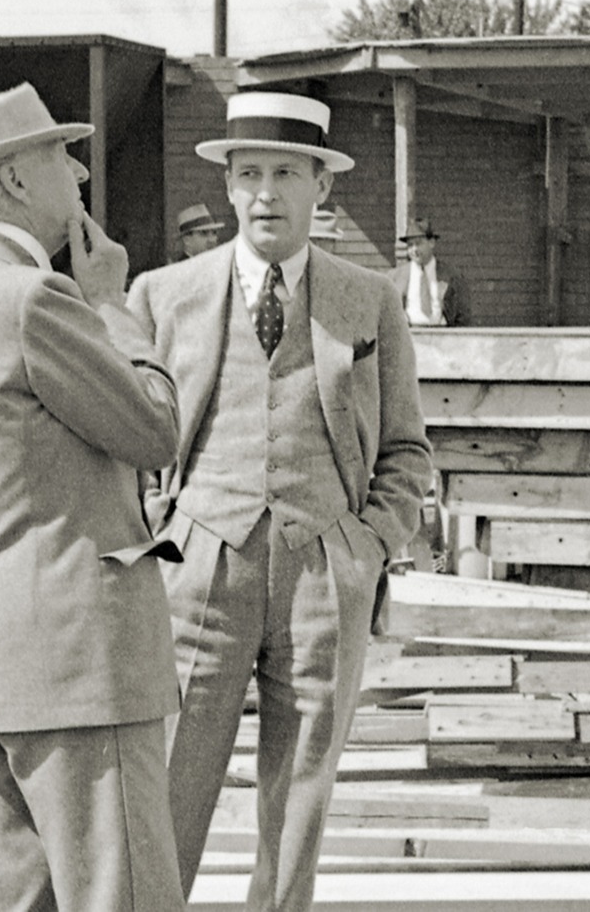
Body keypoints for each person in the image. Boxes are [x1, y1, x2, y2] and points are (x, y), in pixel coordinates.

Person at [0, 82, 186, 912]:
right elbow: (156, 431)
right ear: (14, 180)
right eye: (61, 153)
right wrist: (114, 307)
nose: (81, 171)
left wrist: (7, 573)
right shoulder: (37, 299)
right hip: (83, 666)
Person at [127, 90, 432, 912]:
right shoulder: (162, 295)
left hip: (322, 572)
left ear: (320, 188)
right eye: (249, 172)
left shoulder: (367, 298)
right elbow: (123, 442)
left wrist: (366, 542)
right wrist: (156, 538)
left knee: (300, 797)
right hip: (196, 572)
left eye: (287, 173)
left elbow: (407, 448)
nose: (267, 191)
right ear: (227, 185)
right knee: (168, 784)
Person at [389, 216, 472, 326]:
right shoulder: (395, 277)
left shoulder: (451, 276)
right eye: (410, 245)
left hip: (441, 337)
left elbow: (463, 318)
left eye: (418, 243)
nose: (414, 250)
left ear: (431, 243)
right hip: (408, 337)